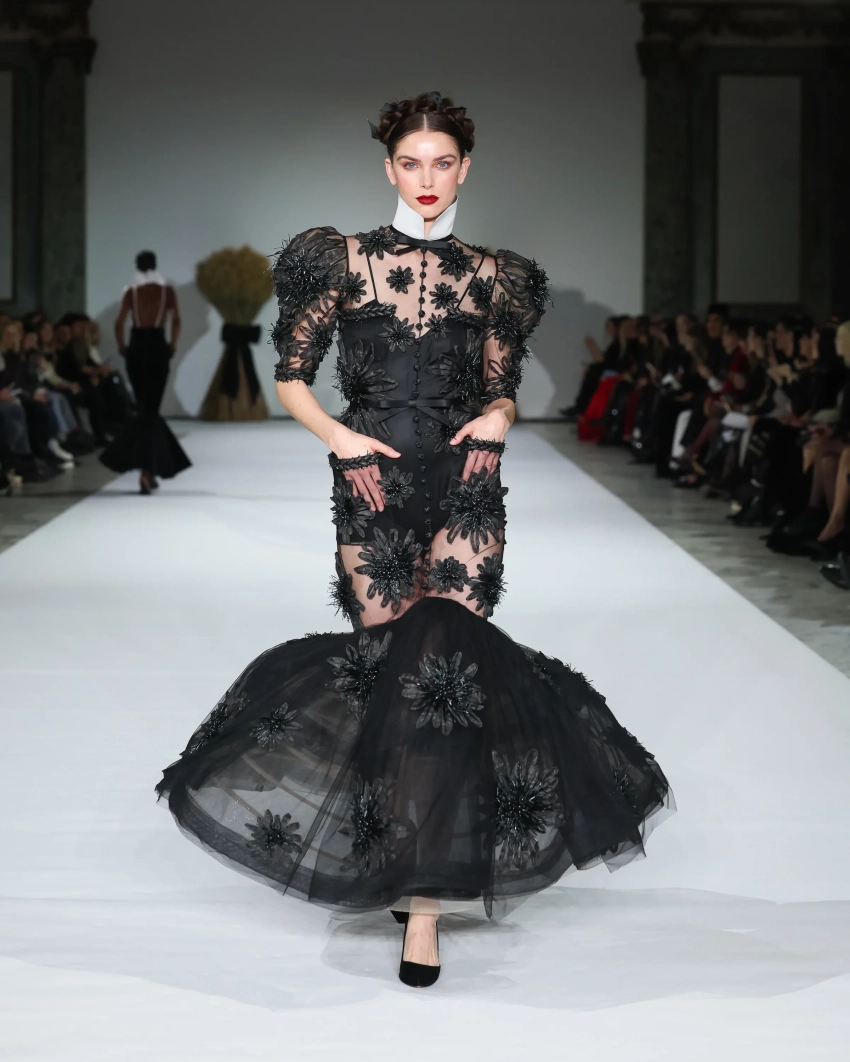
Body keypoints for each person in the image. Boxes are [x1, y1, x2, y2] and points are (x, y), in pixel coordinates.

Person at [155, 91, 674, 988]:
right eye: (409, 162)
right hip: (373, 487)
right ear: (388, 168)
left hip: (466, 484)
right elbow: (292, 377)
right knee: (391, 674)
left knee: (447, 675)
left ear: (465, 168)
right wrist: (339, 438)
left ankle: (424, 904)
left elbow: (500, 386)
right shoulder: (342, 260)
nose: (426, 179)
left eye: (441, 163)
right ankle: (406, 852)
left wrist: (500, 419)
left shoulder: (497, 276)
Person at [99, 251, 191, 492]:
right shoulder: (166, 292)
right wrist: (172, 344)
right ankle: (148, 471)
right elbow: (177, 319)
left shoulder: (131, 292)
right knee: (152, 410)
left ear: (137, 266)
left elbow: (120, 321)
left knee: (144, 409)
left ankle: (145, 470)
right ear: (155, 265)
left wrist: (123, 346)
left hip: (137, 346)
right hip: (158, 345)